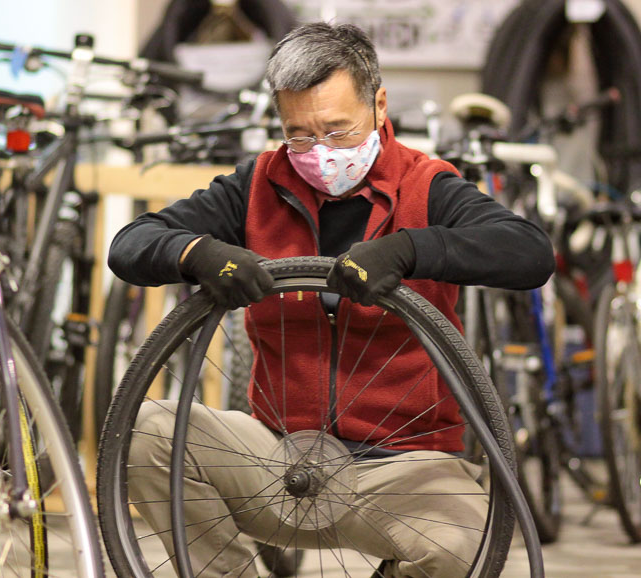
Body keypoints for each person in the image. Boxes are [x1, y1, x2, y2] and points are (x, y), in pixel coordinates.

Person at [109, 22, 555, 578]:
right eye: (299, 135)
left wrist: (411, 249)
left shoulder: (428, 186)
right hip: (278, 456)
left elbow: (530, 252)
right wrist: (199, 253)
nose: (320, 153)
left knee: (465, 544)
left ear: (379, 105)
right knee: (146, 430)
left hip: (400, 469)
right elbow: (131, 244)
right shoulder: (256, 186)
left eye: (338, 131)